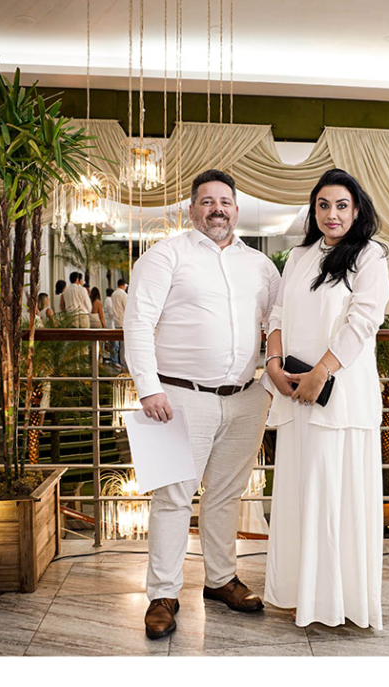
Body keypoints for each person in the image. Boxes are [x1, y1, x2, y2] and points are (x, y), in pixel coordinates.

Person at [124, 169, 280, 640]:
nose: (217, 209)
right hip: (177, 398)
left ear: (236, 209)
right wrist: (148, 388)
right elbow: (138, 322)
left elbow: (278, 322)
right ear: (192, 210)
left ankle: (221, 580)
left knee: (227, 494)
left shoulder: (260, 265)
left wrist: (270, 382)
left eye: (225, 201)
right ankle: (163, 595)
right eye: (207, 201)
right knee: (172, 498)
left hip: (246, 398)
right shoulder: (165, 255)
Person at [261, 168, 389, 630]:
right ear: (313, 210)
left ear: (356, 211)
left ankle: (339, 601)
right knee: (302, 494)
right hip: (296, 392)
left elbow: (363, 322)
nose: (331, 214)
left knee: (336, 498)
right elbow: (276, 314)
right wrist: (273, 364)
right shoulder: (299, 257)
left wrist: (322, 372)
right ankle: (302, 594)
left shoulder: (370, 256)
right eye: (323, 205)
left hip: (341, 398)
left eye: (341, 205)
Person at [112, 279, 128, 368]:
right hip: (123, 321)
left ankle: (115, 361)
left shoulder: (114, 294)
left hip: (116, 321)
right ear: (123, 285)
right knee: (123, 345)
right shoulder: (123, 294)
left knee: (116, 344)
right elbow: (127, 307)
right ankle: (123, 362)